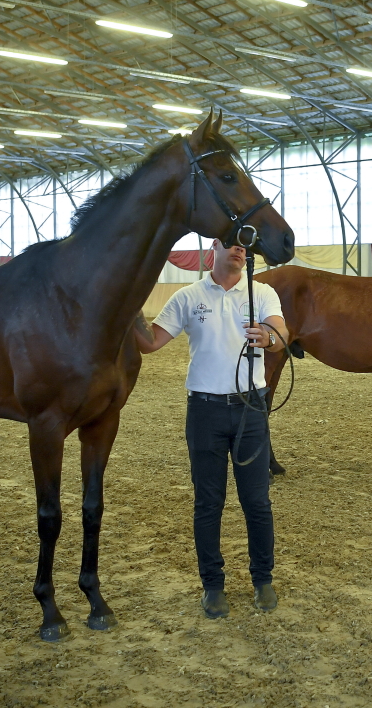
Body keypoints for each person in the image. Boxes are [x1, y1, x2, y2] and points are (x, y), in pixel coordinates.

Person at [134, 238, 287, 619]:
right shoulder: (188, 297)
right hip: (204, 411)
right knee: (208, 503)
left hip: (251, 410)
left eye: (243, 248)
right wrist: (128, 306)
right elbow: (151, 343)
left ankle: (262, 580)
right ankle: (213, 586)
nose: (238, 251)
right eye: (231, 245)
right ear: (214, 247)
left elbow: (282, 334)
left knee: (257, 502)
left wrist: (269, 338)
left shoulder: (262, 292)